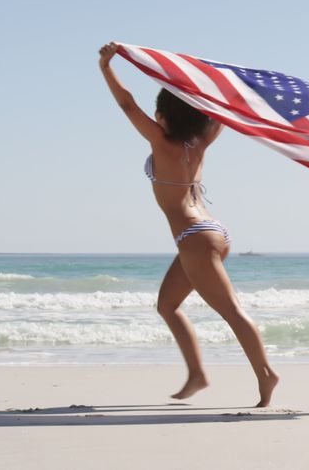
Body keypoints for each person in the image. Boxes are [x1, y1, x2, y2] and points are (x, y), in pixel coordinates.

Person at [98, 42, 279, 407]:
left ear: (164, 115)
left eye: (157, 110)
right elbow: (222, 113)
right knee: (167, 305)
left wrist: (107, 67)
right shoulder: (201, 141)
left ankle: (265, 373)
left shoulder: (162, 143)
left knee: (230, 310)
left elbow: (126, 105)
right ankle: (197, 374)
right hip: (207, 233)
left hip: (195, 237)